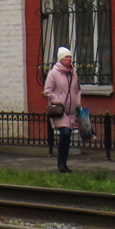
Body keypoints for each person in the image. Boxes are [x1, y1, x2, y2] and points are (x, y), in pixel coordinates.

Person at [43, 46, 82, 174]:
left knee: (67, 137)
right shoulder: (53, 73)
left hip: (71, 110)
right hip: (59, 109)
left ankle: (64, 164)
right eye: (66, 57)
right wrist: (58, 99)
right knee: (65, 133)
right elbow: (48, 90)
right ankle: (60, 163)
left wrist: (77, 102)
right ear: (60, 59)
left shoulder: (73, 74)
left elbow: (77, 90)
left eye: (70, 57)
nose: (69, 59)